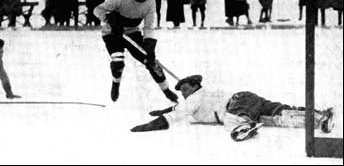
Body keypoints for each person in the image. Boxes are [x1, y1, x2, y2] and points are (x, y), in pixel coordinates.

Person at [130, 75, 335, 141]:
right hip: (249, 98)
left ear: (194, 86)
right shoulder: (200, 96)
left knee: (232, 118)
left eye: (184, 89)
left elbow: (177, 114)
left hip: (238, 103)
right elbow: (178, 108)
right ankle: (319, 117)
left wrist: (147, 126)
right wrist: (163, 111)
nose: (183, 93)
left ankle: (244, 126)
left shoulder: (195, 98)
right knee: (279, 115)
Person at [94, 0, 179, 103]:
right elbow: (98, 9)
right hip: (113, 33)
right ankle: (116, 84)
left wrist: (150, 48)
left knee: (152, 63)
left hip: (133, 32)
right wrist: (108, 18)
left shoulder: (150, 2)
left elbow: (149, 27)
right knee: (118, 62)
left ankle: (167, 91)